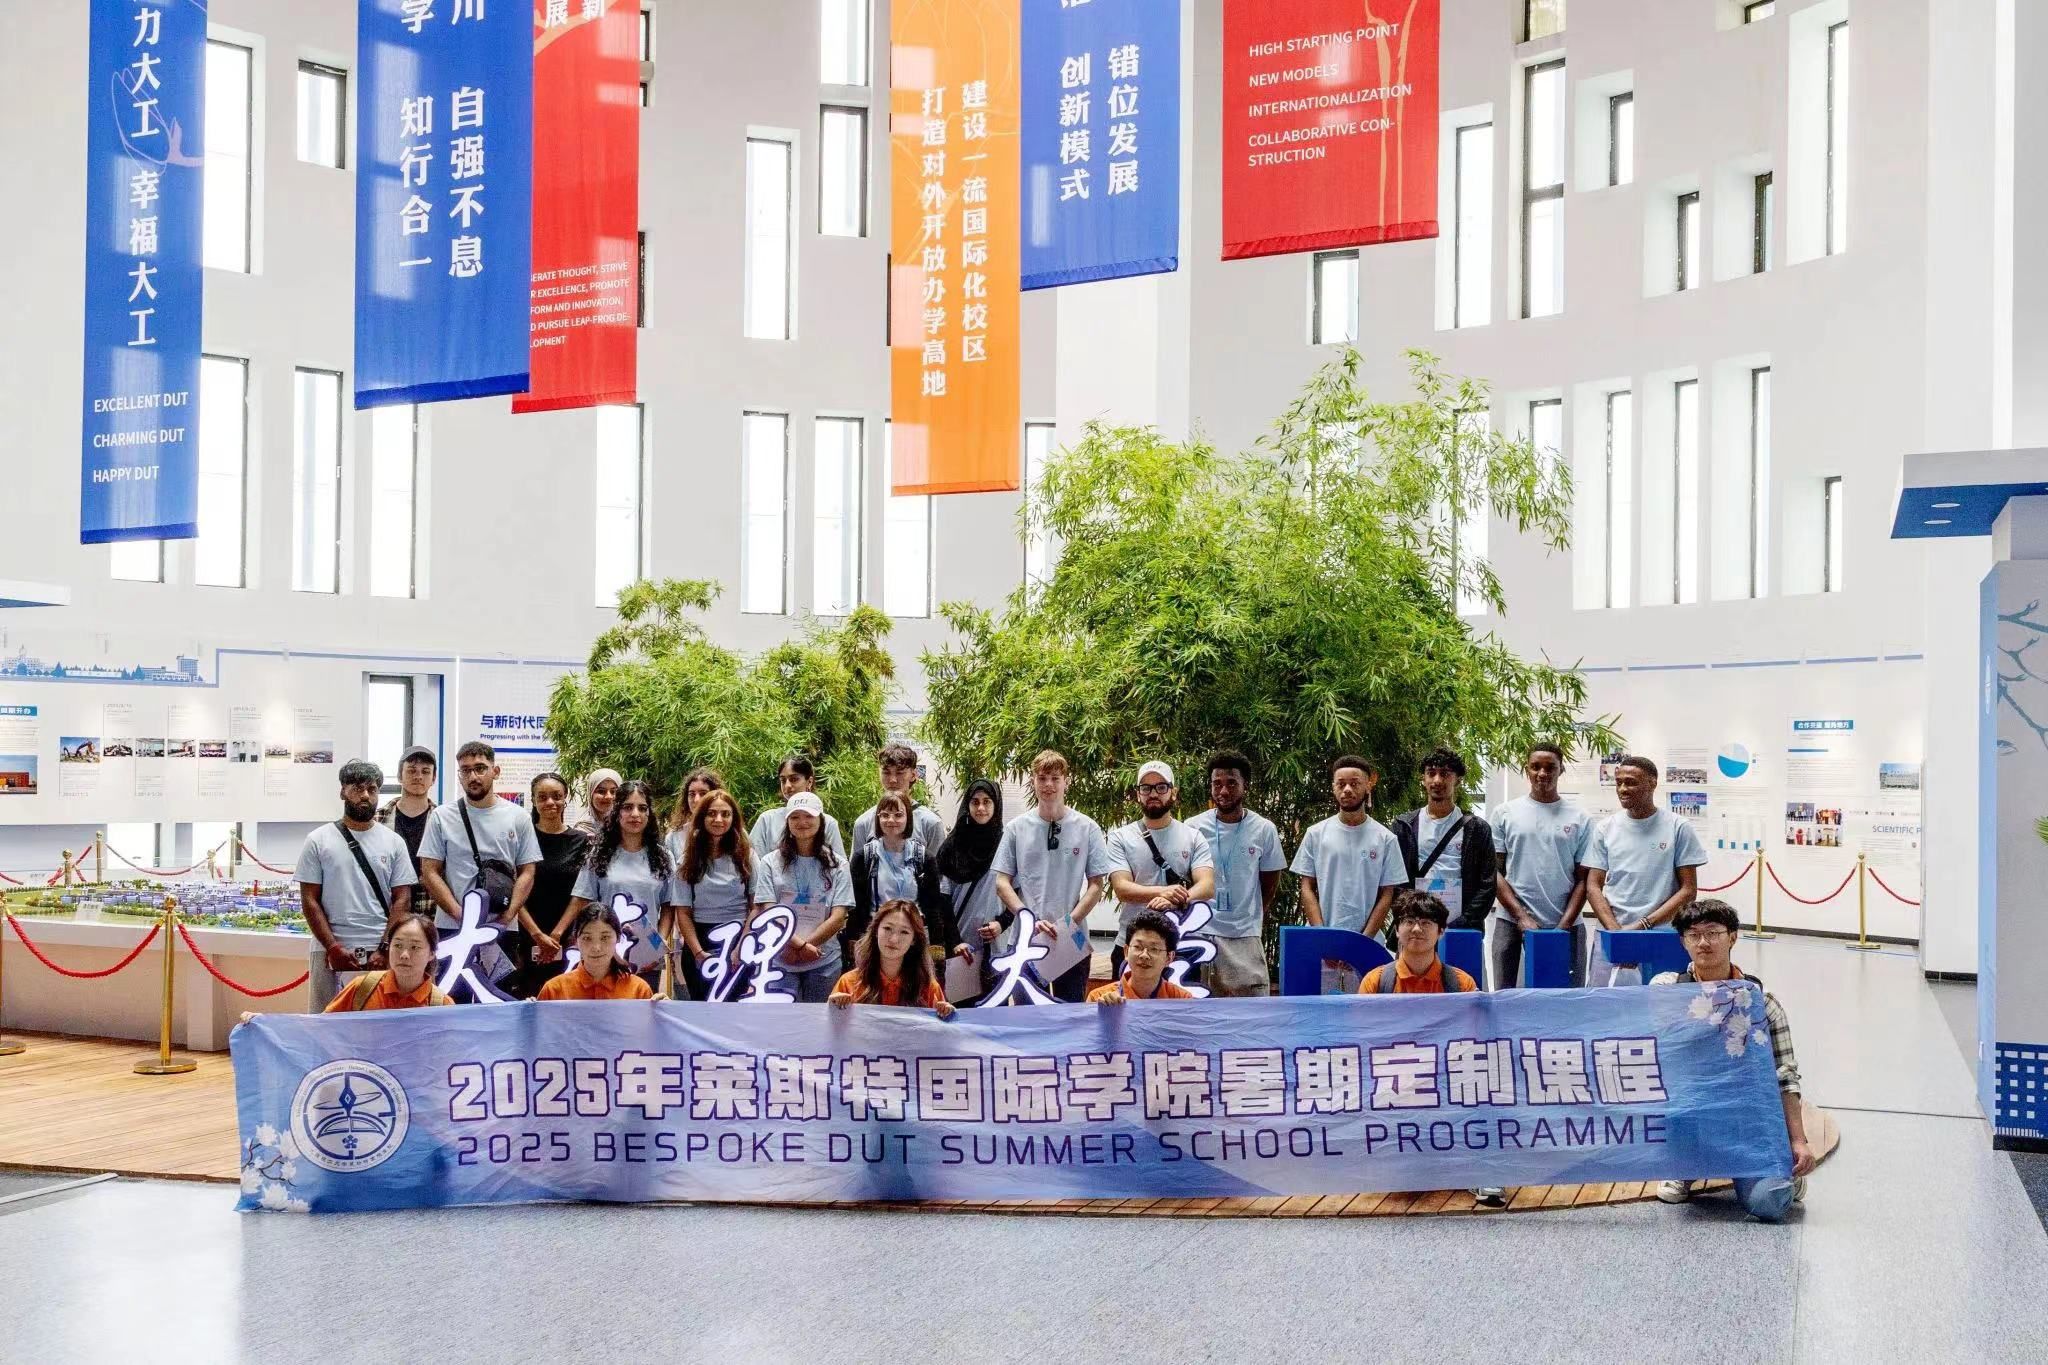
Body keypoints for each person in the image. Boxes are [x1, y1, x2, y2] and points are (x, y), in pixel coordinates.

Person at [1652, 899, 1815, 1220]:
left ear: (1733, 937)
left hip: (1746, 1121)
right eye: (1694, 934)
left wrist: (1798, 1140)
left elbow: (1785, 1076)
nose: (1703, 942)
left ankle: (1779, 1171)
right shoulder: (1665, 991)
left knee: (1769, 1202)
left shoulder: (1762, 1004)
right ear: (1683, 941)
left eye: (1713, 933)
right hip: (1691, 1115)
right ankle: (1685, 1166)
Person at [1356, 890, 1501, 1207]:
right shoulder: (1376, 983)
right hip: (1394, 1081)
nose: (1416, 929)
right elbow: (1363, 1044)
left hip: (1446, 1080)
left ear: (1441, 931)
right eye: (1408, 921)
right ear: (1397, 929)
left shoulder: (1461, 984)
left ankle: (1482, 1170)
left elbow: (1474, 1042)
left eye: (1426, 922)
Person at [417, 742, 544, 995]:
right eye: (465, 770)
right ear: (459, 775)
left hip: (501, 928)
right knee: (452, 1000)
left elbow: (527, 872)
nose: (473, 776)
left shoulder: (517, 817)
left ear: (495, 771)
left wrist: (507, 917)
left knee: (500, 999)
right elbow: (429, 871)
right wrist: (459, 915)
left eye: (480, 768)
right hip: (452, 927)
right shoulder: (442, 816)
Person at [993, 750, 1114, 1003]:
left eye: (1055, 778)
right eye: (1042, 778)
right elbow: (1002, 883)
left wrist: (1067, 923)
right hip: (1026, 936)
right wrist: (1029, 918)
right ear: (1033, 781)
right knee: (1028, 1014)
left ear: (1066, 781)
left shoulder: (1087, 827)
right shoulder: (1016, 828)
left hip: (1072, 935)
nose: (1048, 784)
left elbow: (1096, 885)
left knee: (1071, 1014)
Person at [298, 759, 418, 1012]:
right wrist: (333, 947)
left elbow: (402, 899)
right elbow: (309, 900)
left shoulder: (394, 842)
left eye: (372, 789)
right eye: (357, 788)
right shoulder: (318, 840)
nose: (365, 795)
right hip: (328, 949)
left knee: (378, 1022)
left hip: (378, 949)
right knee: (325, 1020)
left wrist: (385, 948)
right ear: (343, 791)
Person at [1584, 755, 1708, 985]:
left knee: (1661, 1001)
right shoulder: (1605, 828)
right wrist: (1617, 934)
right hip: (1612, 932)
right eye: (1619, 782)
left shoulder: (1677, 827)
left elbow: (1688, 890)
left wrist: (1642, 926)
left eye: (1631, 782)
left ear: (1652, 783)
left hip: (1660, 934)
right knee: (1604, 1001)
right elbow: (1593, 886)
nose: (1622, 789)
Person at [1290, 755, 1403, 992]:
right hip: (1321, 947)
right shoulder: (1316, 834)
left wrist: (1362, 942)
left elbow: (1387, 894)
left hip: (1369, 945)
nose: (1347, 790)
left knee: (1365, 1009)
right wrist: (1323, 938)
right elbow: (1307, 887)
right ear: (1333, 787)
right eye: (1341, 784)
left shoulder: (1385, 838)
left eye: (1355, 783)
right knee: (1321, 1009)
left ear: (1368, 785)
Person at [1489, 742, 1593, 988]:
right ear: (1527, 769)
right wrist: (1521, 917)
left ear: (1561, 770)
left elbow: (1584, 879)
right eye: (1536, 767)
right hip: (1511, 921)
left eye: (1550, 767)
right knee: (1507, 995)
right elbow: (1494, 872)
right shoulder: (1505, 813)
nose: (1542, 773)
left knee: (1567, 997)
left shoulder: (1580, 818)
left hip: (1567, 923)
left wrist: (1564, 926)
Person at [1187, 752, 1287, 997]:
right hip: (1203, 930)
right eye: (1217, 784)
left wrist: (1252, 915)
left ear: (1246, 786)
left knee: (1252, 1006)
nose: (1223, 791)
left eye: (1232, 783)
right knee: (1203, 1006)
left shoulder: (1264, 829)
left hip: (1245, 933)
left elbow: (1270, 882)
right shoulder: (1193, 827)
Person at [557, 779, 672, 990]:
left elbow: (668, 905)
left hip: (646, 953)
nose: (635, 814)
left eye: (642, 808)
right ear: (617, 812)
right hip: (603, 951)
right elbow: (583, 899)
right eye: (628, 807)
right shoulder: (599, 855)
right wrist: (560, 933)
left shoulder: (663, 857)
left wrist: (660, 941)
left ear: (649, 814)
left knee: (644, 1006)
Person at [1106, 760, 1214, 980]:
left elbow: (1207, 885)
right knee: (1127, 1002)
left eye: (1161, 787)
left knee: (1180, 1003)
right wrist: (1164, 892)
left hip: (1180, 945)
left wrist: (1176, 900)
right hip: (1133, 945)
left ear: (1173, 792)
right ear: (1138, 794)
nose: (1153, 793)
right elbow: (1122, 888)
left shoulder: (1193, 836)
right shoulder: (1120, 837)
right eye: (1146, 788)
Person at [754, 791, 854, 1003]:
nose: (802, 822)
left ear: (821, 820)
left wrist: (805, 947)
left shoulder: (838, 865)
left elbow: (838, 917)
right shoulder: (770, 863)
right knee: (780, 1021)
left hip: (824, 960)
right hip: (780, 958)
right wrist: (796, 947)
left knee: (821, 1020)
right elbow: (769, 912)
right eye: (795, 817)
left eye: (809, 816)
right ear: (787, 822)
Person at [671, 788, 766, 1001]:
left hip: (740, 940)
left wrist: (740, 949)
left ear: (734, 818)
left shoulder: (748, 857)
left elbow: (756, 907)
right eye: (712, 813)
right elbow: (683, 912)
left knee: (734, 1011)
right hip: (699, 942)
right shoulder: (687, 860)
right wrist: (698, 954)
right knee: (701, 1010)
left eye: (725, 814)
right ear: (701, 818)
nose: (719, 819)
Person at [1392, 748, 1497, 939]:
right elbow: (1396, 880)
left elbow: (1487, 884)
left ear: (1458, 780)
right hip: (1416, 926)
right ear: (1423, 779)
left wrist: (1463, 922)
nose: (1437, 780)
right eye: (1431, 773)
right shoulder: (1404, 826)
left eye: (1445, 774)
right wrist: (1413, 918)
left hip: (1462, 928)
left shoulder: (1477, 828)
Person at [504, 771, 586, 995]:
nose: (550, 802)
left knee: (566, 999)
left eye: (556, 796)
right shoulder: (522, 838)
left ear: (565, 798)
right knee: (525, 999)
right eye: (542, 797)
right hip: (524, 934)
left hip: (567, 936)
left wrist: (557, 935)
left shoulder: (580, 841)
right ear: (533, 800)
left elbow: (582, 893)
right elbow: (513, 888)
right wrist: (537, 935)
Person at [849, 791, 943, 957]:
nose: (891, 820)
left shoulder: (923, 858)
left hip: (914, 938)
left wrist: (937, 944)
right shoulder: (864, 858)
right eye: (885, 815)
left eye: (898, 815)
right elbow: (857, 906)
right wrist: (853, 941)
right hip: (875, 937)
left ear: (908, 818)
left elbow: (933, 906)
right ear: (878, 818)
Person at [935, 779, 1006, 999]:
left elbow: (1018, 893)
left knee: (995, 1009)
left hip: (997, 946)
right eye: (975, 802)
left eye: (987, 801)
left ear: (996, 805)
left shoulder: (1007, 845)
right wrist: (955, 941)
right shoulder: (952, 847)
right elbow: (942, 900)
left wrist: (1002, 923)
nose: (981, 808)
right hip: (961, 949)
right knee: (960, 1010)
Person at [829, 898, 956, 1016]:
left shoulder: (928, 987)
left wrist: (947, 1015)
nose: (894, 939)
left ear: (914, 939)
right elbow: (832, 1028)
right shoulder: (848, 982)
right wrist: (831, 1009)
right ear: (876, 931)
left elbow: (938, 1030)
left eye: (904, 932)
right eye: (887, 928)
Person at [321, 913, 453, 1012]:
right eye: (398, 945)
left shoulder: (442, 1005)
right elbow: (324, 1028)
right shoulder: (362, 988)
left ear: (432, 954)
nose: (404, 955)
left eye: (415, 947)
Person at [538, 904, 655, 1001]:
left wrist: (662, 1008)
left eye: (605, 937)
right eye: (587, 938)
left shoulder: (639, 990)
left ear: (618, 938)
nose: (596, 948)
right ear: (576, 940)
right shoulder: (553, 990)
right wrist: (530, 1010)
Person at [849, 743, 945, 860]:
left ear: (913, 775)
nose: (892, 780)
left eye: (900, 773)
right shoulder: (864, 823)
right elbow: (856, 868)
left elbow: (939, 869)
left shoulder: (931, 823)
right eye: (886, 772)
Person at [749, 754, 850, 861]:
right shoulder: (767, 820)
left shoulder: (828, 823)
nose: (787, 785)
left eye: (794, 779)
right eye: (783, 781)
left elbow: (838, 864)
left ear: (809, 782)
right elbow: (753, 862)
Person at [1089, 910, 1195, 1003]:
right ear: (1126, 951)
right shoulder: (1099, 998)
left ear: (1169, 957)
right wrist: (1105, 1012)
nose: (1144, 955)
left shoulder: (1182, 1000)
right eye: (1138, 947)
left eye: (1154, 949)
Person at [375, 745, 437, 873]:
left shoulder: (442, 821)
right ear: (399, 776)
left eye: (425, 771)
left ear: (434, 778)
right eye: (411, 771)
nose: (418, 776)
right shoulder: (377, 819)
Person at [666, 766, 724, 860]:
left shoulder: (733, 833)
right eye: (692, 794)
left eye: (703, 793)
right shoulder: (674, 837)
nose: (697, 800)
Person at [577, 768, 622, 836]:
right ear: (591, 794)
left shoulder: (627, 825)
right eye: (601, 791)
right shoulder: (581, 831)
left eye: (613, 792)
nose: (608, 796)